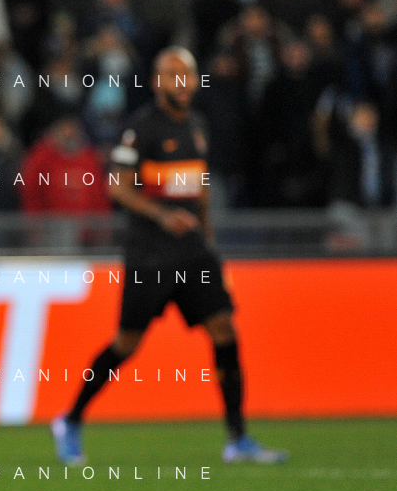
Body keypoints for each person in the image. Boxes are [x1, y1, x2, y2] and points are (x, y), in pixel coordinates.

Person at [52, 48, 288, 466]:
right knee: (126, 343)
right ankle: (70, 420)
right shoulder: (140, 128)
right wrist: (162, 215)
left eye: (187, 74)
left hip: (194, 253)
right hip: (151, 254)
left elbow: (201, 187)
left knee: (224, 329)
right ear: (157, 82)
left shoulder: (198, 126)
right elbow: (117, 187)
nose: (181, 82)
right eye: (172, 74)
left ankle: (237, 438)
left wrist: (210, 244)